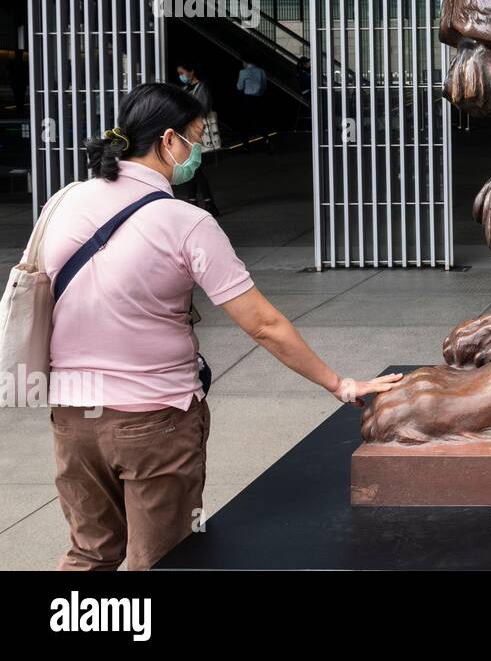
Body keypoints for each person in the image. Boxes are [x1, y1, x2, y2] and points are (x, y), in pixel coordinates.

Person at [41, 82, 402, 570]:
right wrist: (338, 383)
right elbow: (263, 324)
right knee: (163, 557)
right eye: (196, 137)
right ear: (169, 141)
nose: (200, 150)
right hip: (154, 419)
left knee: (90, 552)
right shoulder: (186, 222)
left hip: (71, 416)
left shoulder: (63, 203)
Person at [175, 63, 219, 214]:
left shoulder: (201, 88)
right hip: (188, 133)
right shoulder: (186, 89)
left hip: (196, 133)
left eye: (182, 72)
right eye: (179, 73)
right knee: (192, 168)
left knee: (193, 168)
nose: (181, 76)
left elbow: (204, 108)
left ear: (192, 71)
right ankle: (203, 202)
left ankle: (203, 202)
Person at [235, 60, 269, 152]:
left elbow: (239, 87)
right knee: (261, 122)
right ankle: (267, 141)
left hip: (248, 100)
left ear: (245, 62)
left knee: (244, 123)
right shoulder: (261, 71)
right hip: (260, 99)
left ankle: (246, 146)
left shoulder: (243, 72)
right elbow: (265, 86)